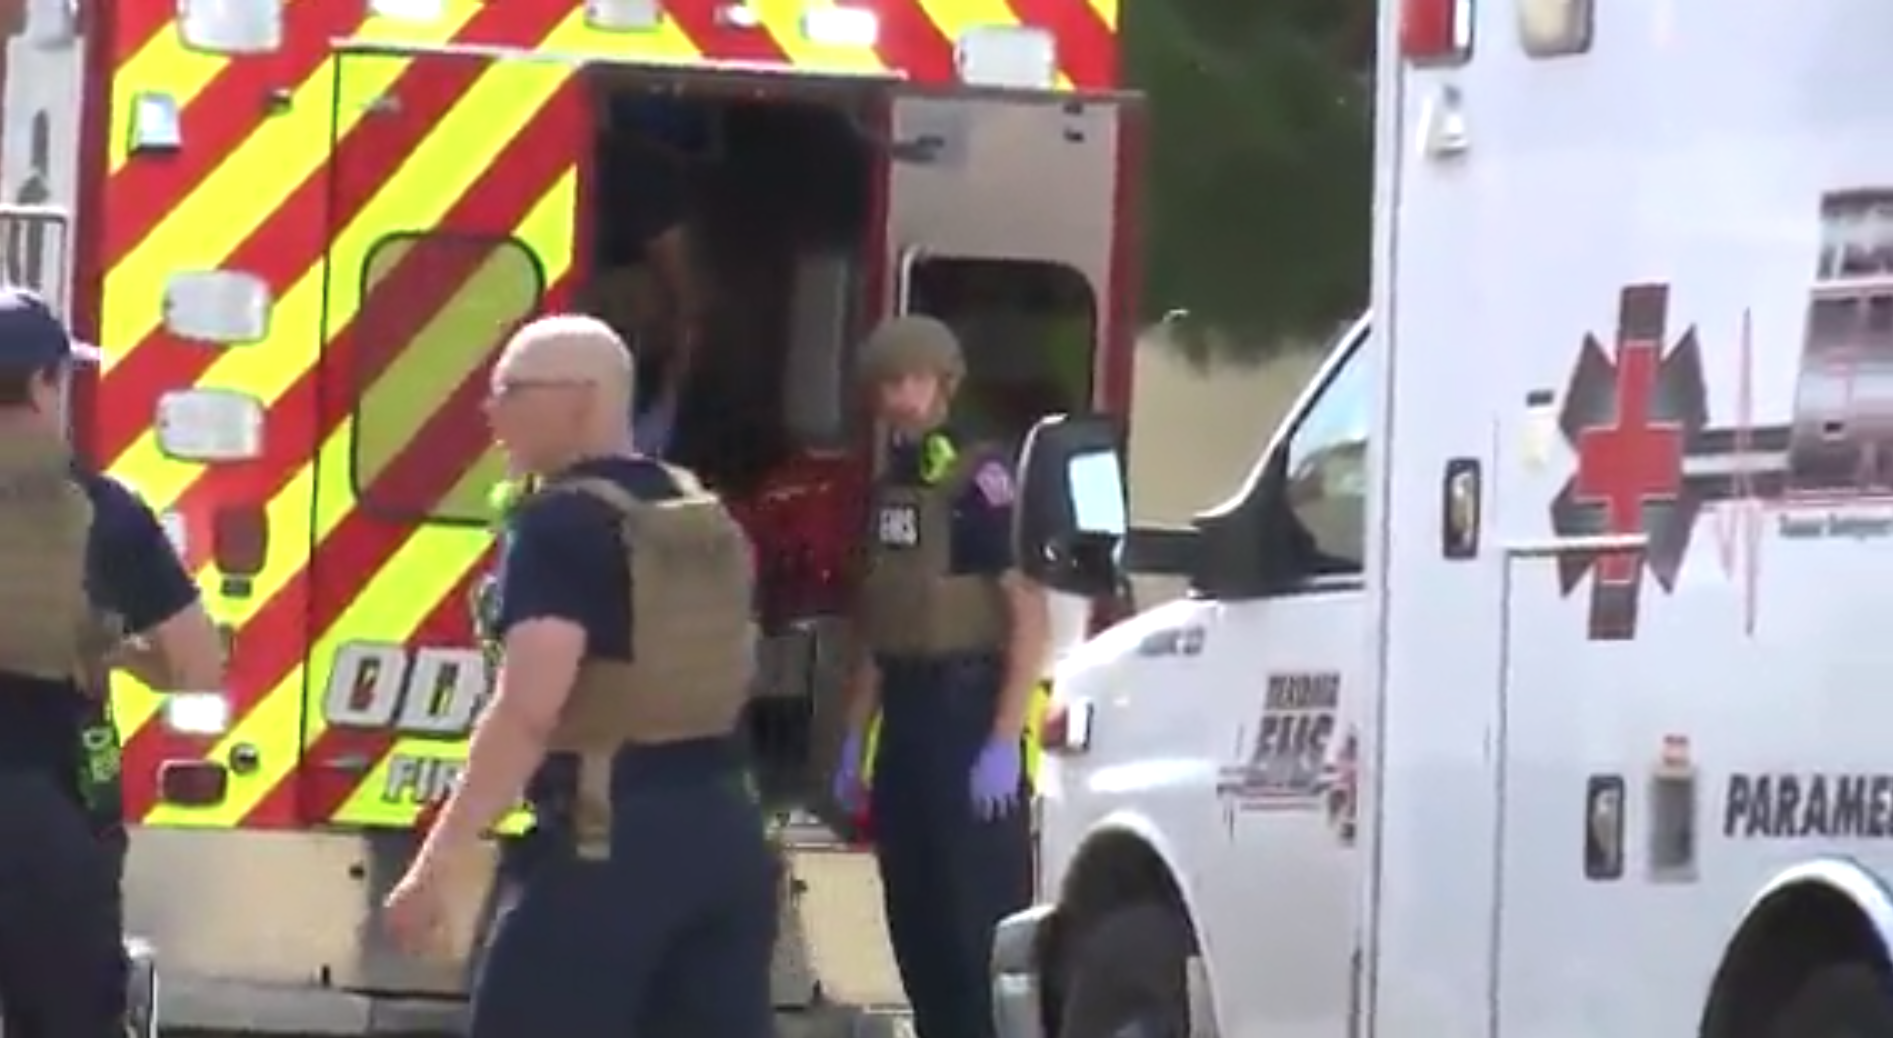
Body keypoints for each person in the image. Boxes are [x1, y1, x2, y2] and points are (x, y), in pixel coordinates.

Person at [382, 313, 776, 1038]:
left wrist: (434, 865)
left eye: (509, 391)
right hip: (727, 840)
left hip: (608, 843)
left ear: (581, 400)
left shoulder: (562, 524)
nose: (490, 412)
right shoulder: (692, 506)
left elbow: (528, 709)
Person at [0, 288, 220, 1037]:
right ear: (43, 383)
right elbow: (196, 664)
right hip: (44, 810)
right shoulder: (104, 509)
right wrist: (110, 650)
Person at [831, 315, 1052, 1038]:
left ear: (945, 384)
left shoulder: (977, 481)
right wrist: (852, 741)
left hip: (966, 715)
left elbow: (1026, 614)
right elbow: (879, 621)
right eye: (887, 384)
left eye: (913, 381)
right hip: (907, 722)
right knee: (915, 921)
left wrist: (1001, 740)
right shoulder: (891, 487)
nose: (899, 397)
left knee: (971, 931)